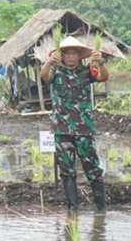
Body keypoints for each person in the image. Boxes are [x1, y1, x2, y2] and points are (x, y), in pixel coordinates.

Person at [39, 36, 109, 213]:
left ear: (79, 56)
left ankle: (101, 210)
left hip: (83, 129)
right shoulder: (56, 72)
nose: (70, 57)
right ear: (61, 56)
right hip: (61, 130)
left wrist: (101, 61)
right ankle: (72, 210)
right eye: (67, 53)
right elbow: (44, 75)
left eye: (74, 53)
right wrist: (49, 61)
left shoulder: (87, 71)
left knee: (92, 168)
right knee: (67, 171)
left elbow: (103, 77)